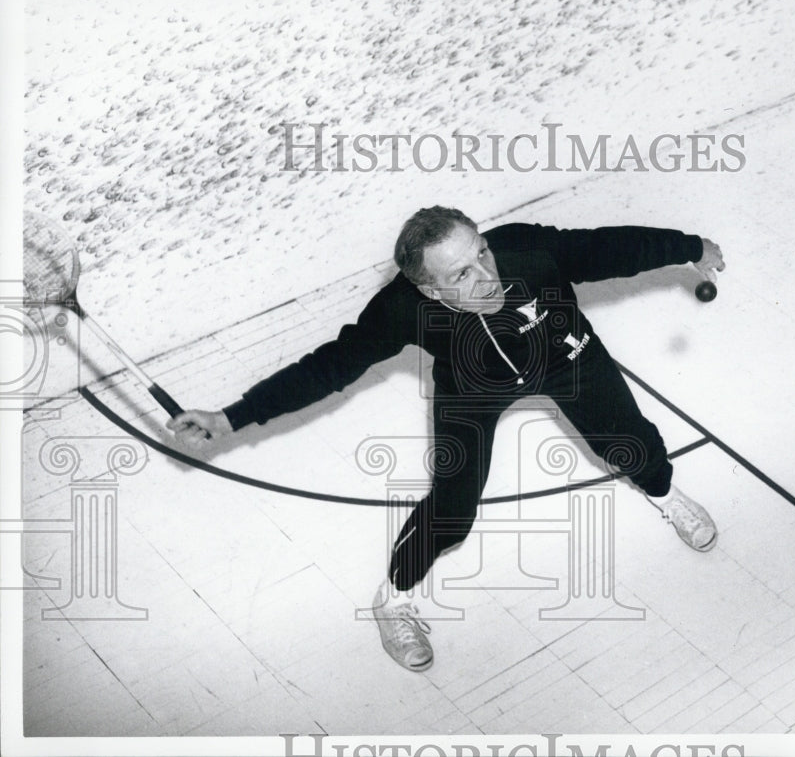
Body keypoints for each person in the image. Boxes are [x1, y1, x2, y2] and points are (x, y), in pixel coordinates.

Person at [167, 206, 726, 673]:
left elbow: (611, 248)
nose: (486, 275)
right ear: (427, 290)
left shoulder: (527, 251)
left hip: (566, 357)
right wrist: (233, 416)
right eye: (460, 275)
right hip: (472, 386)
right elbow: (331, 366)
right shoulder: (400, 310)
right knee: (453, 510)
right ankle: (395, 599)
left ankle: (666, 498)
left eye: (481, 252)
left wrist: (689, 244)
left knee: (631, 445)